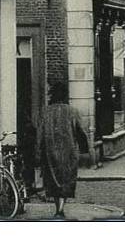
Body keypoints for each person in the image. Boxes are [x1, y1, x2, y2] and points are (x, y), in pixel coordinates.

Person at [38, 82, 89, 218]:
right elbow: (81, 132)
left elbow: (40, 134)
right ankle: (60, 209)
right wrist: (85, 151)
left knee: (53, 180)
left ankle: (57, 207)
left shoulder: (45, 112)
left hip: (49, 152)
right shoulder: (72, 111)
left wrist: (38, 152)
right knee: (66, 180)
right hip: (68, 152)